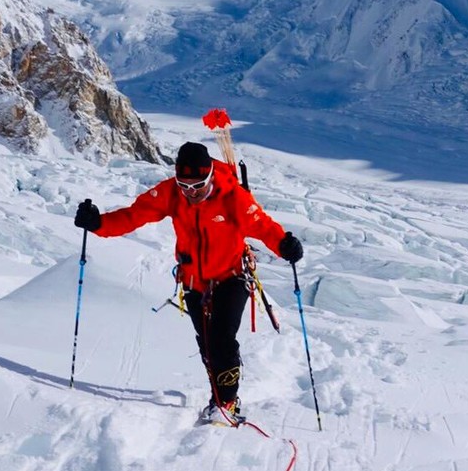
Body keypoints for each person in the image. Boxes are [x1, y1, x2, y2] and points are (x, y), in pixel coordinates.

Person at [74, 141, 303, 424]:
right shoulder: (171, 193)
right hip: (194, 282)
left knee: (221, 338)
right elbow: (135, 215)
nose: (191, 193)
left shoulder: (233, 197)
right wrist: (98, 224)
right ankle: (217, 396)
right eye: (185, 186)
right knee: (207, 344)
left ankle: (227, 403)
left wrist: (284, 245)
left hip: (232, 277)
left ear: (210, 177)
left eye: (198, 186)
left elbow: (263, 226)